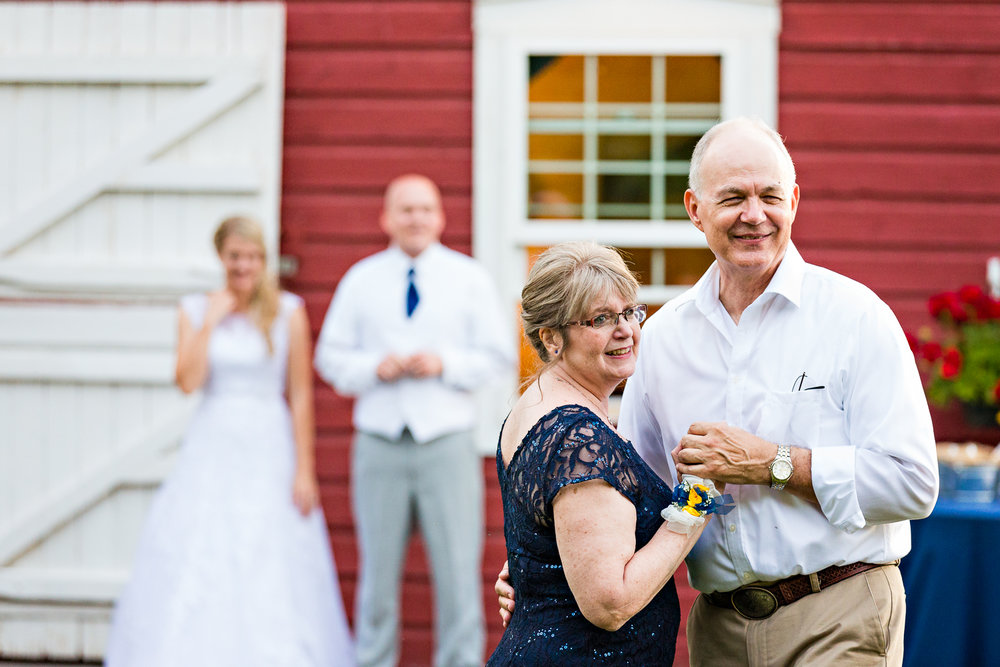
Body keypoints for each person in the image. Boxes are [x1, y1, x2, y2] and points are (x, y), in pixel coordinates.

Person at [498, 117, 939, 666]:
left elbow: (914, 484)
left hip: (838, 610)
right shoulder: (661, 337)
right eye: (733, 197)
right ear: (694, 209)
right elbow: (630, 495)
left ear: (795, 202)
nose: (754, 215)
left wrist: (773, 463)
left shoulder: (857, 318)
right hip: (719, 628)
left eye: (769, 196)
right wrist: (548, 566)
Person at [105, 216, 355, 666]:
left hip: (268, 440)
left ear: (265, 260)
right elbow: (188, 381)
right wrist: (212, 321)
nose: (245, 266)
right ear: (221, 256)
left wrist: (304, 469)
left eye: (254, 257)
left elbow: (299, 394)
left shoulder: (288, 311)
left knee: (270, 544)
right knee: (203, 539)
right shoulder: (196, 309)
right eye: (236, 257)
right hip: (213, 438)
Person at [314, 174, 516, 667]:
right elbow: (330, 357)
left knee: (456, 573)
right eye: (405, 209)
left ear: (440, 217)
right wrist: (372, 368)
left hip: (445, 440)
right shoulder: (361, 279)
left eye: (425, 209)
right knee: (377, 577)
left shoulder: (469, 278)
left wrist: (445, 363)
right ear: (386, 217)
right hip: (379, 442)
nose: (416, 218)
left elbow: (498, 356)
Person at [488, 242, 723, 665]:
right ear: (551, 338)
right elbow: (610, 603)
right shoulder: (578, 438)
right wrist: (698, 498)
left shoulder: (535, 406)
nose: (626, 330)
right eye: (600, 319)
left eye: (631, 312)